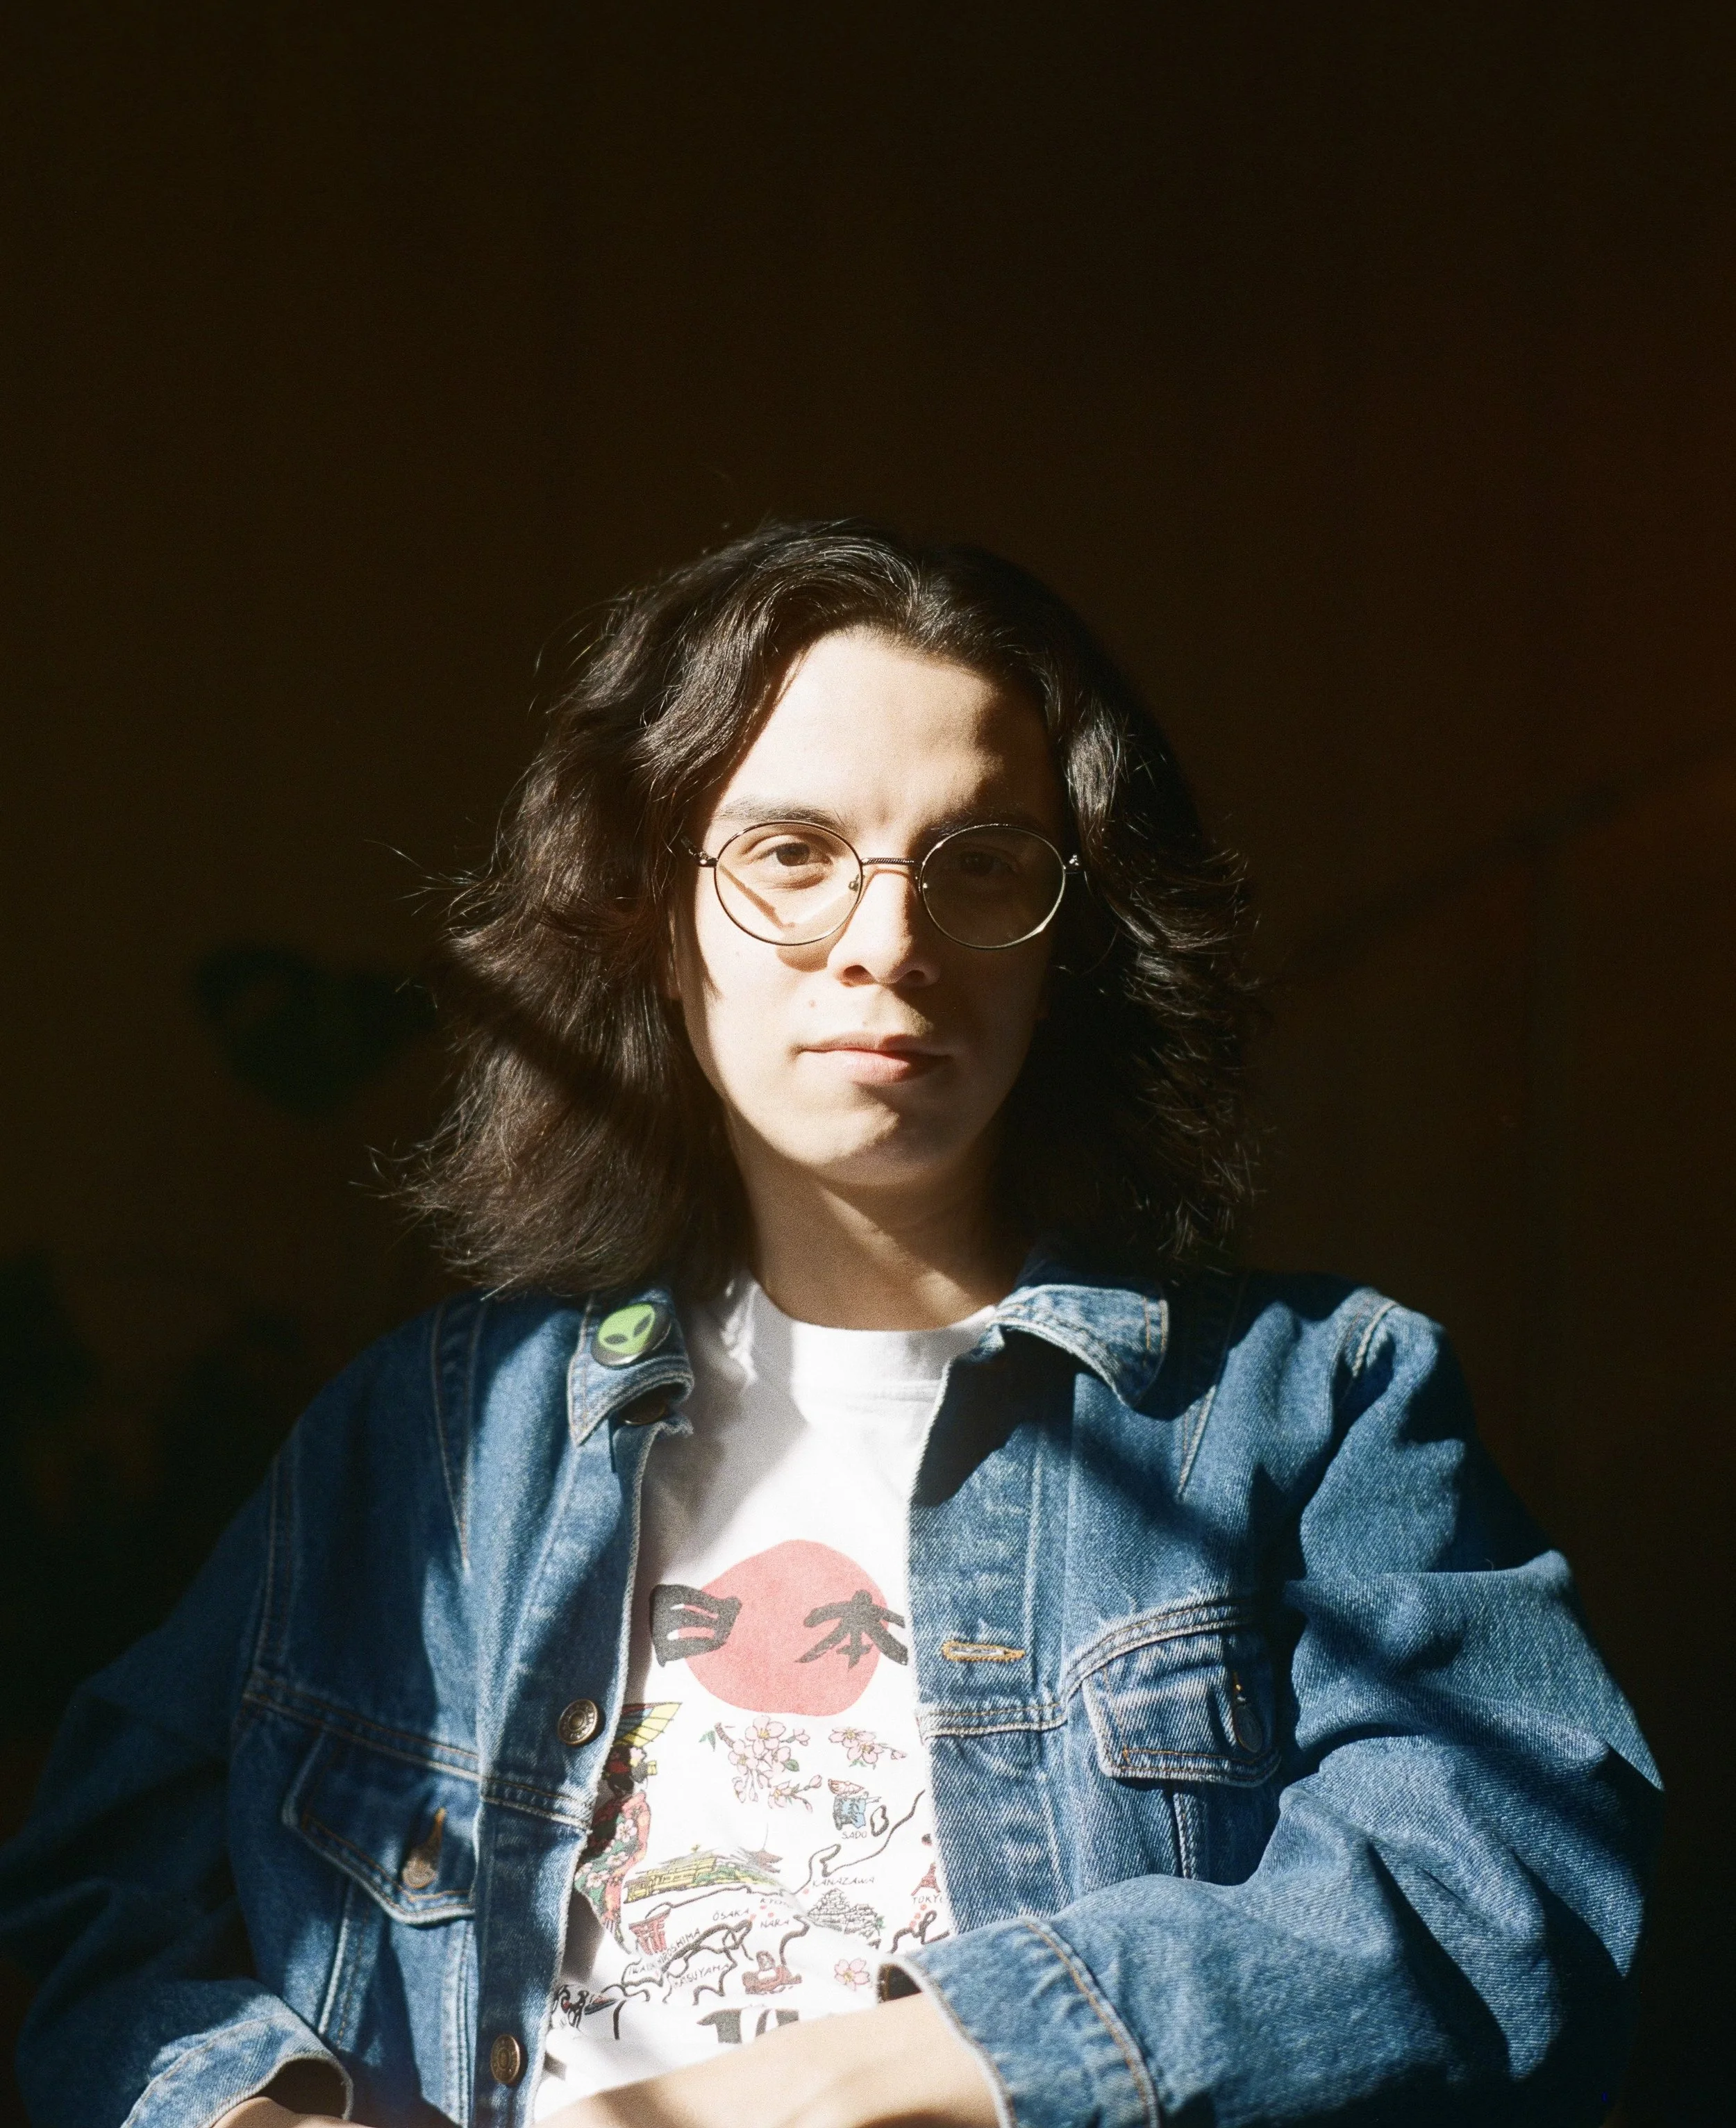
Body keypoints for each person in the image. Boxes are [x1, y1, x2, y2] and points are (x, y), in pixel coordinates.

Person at [0, 523, 1658, 2128]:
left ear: (1068, 946)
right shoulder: (424, 1436)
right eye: (791, 853)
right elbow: (97, 1910)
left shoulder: (1311, 1403)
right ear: (655, 920)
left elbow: (1510, 1877)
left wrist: (885, 2068)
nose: (888, 943)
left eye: (978, 863)